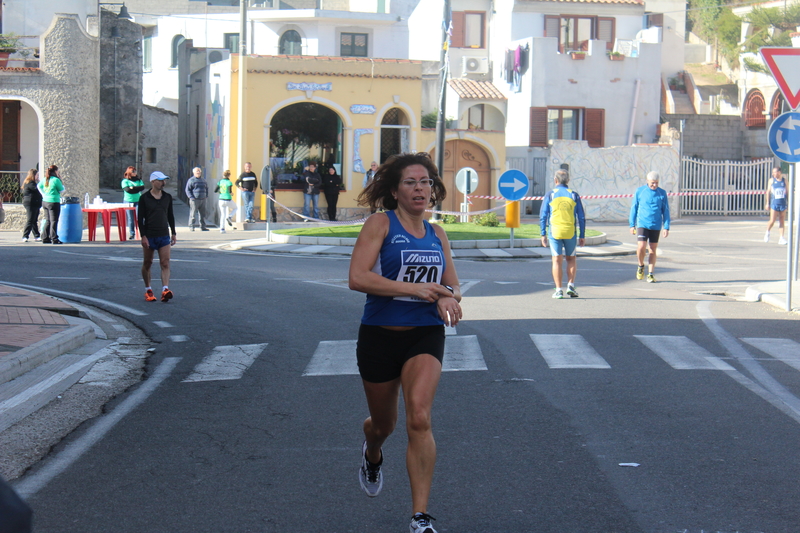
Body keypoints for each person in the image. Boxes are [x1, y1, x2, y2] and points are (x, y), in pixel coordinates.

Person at [349, 152, 462, 533]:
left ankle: (419, 517)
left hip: (424, 334)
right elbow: (358, 278)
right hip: (380, 336)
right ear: (395, 190)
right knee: (384, 424)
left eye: (426, 182)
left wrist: (447, 296)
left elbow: (452, 284)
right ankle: (372, 451)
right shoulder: (380, 224)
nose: (420, 189)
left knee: (419, 416)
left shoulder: (437, 232)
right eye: (411, 182)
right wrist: (416, 289)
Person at [540, 169, 586, 299]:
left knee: (556, 260)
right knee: (571, 259)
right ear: (568, 181)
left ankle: (558, 290)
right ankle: (570, 286)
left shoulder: (550, 194)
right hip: (570, 231)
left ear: (555, 180)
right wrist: (582, 235)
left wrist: (542, 234)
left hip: (555, 232)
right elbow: (581, 216)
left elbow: (543, 215)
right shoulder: (574, 195)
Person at [138, 172, 177, 303]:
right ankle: (148, 289)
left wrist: (174, 233)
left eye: (164, 180)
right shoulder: (144, 198)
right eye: (160, 181)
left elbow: (171, 215)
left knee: (165, 262)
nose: (163, 183)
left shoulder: (167, 197)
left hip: (164, 234)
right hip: (149, 235)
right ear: (153, 182)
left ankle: (165, 289)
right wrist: (143, 236)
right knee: (147, 263)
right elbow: (140, 218)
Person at [629, 171, 670, 283]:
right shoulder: (640, 191)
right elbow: (634, 208)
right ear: (647, 181)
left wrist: (666, 227)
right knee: (641, 246)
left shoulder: (662, 193)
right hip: (642, 223)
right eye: (652, 183)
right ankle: (641, 266)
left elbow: (665, 211)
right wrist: (632, 225)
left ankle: (651, 274)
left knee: (652, 249)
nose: (654, 185)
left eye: (656, 183)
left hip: (656, 225)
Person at [37, 165, 65, 245]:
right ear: (55, 171)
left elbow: (38, 186)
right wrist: (61, 180)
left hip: (45, 201)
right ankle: (54, 238)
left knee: (48, 220)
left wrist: (43, 194)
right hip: (53, 201)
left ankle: (45, 237)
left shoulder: (46, 179)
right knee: (54, 220)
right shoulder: (56, 180)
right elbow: (62, 190)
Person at [764, 166, 788, 245]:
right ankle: (767, 232)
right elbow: (768, 192)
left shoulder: (785, 181)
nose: (773, 174)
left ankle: (781, 238)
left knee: (782, 221)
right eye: (773, 172)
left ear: (779, 172)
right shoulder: (771, 181)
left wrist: (788, 203)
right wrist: (767, 203)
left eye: (775, 172)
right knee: (772, 220)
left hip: (783, 203)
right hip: (774, 203)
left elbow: (788, 192)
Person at [121, 166, 145, 240]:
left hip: (138, 200)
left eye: (135, 171)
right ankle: (132, 233)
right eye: (133, 172)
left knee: (140, 217)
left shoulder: (138, 180)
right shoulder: (125, 181)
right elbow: (128, 190)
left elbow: (142, 187)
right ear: (129, 173)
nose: (135, 173)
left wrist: (133, 188)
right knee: (130, 218)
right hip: (128, 200)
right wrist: (136, 189)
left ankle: (143, 233)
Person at [20, 169, 42, 242]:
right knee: (30, 220)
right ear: (33, 175)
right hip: (30, 203)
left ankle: (37, 235)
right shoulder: (30, 183)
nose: (38, 176)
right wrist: (40, 183)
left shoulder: (32, 183)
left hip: (35, 203)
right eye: (37, 175)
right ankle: (25, 236)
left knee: (34, 220)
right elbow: (37, 190)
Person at [185, 167, 209, 231]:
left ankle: (203, 227)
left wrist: (206, 195)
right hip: (195, 199)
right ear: (194, 173)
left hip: (203, 199)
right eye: (197, 172)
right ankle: (191, 226)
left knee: (202, 214)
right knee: (193, 214)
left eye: (199, 172)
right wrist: (191, 197)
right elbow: (188, 190)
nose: (198, 173)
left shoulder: (203, 180)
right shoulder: (191, 180)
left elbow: (206, 188)